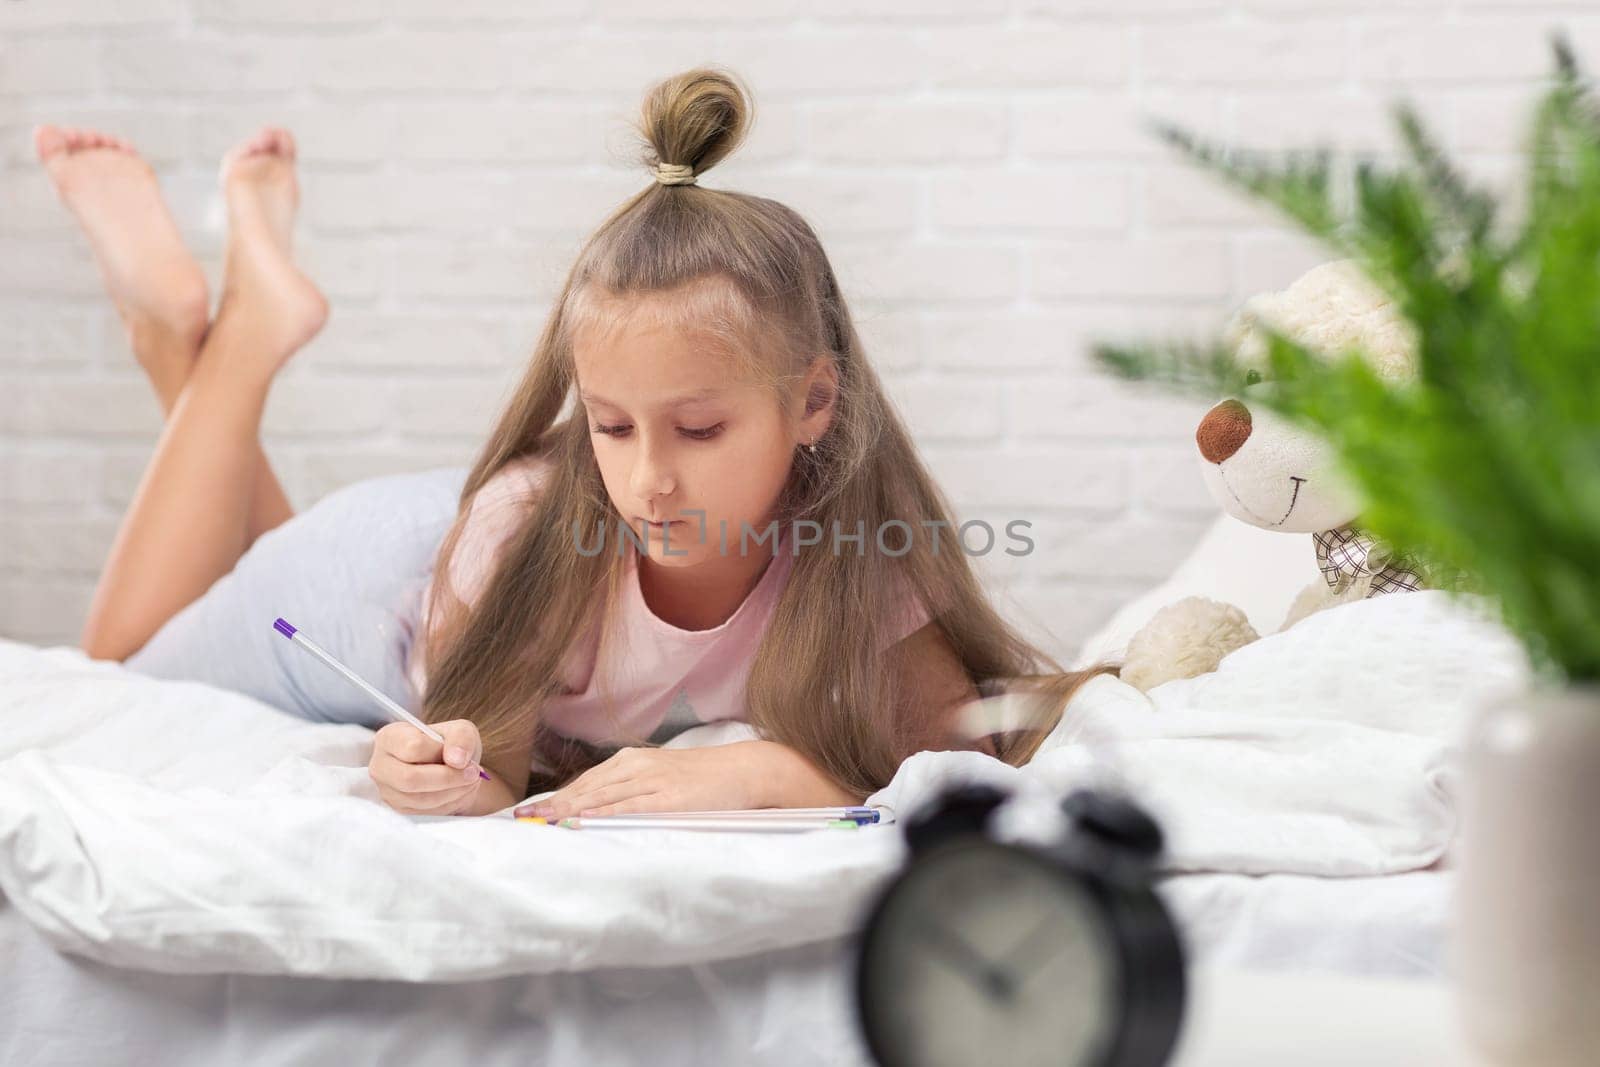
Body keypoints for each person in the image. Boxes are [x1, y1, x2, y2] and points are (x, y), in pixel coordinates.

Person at [46, 67, 1116, 820]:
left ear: (815, 404)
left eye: (699, 427)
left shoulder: (860, 561)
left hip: (460, 547)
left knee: (184, 598)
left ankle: (182, 338)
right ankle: (228, 341)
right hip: (378, 579)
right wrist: (432, 772)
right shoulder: (527, 531)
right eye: (607, 424)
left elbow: (961, 767)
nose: (649, 476)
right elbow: (491, 781)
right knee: (117, 663)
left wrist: (775, 774)